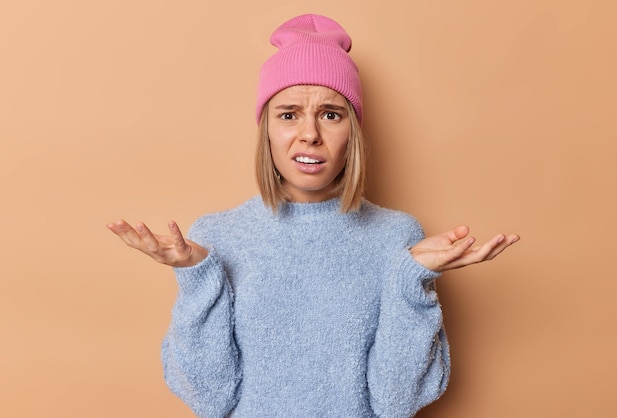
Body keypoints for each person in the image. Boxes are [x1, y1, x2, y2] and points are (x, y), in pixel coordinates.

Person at [107, 14, 519, 418]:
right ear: (266, 128)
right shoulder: (217, 237)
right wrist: (199, 276)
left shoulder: (396, 235)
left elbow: (396, 404)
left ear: (352, 130)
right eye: (288, 114)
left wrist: (411, 279)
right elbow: (209, 400)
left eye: (330, 114)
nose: (309, 134)